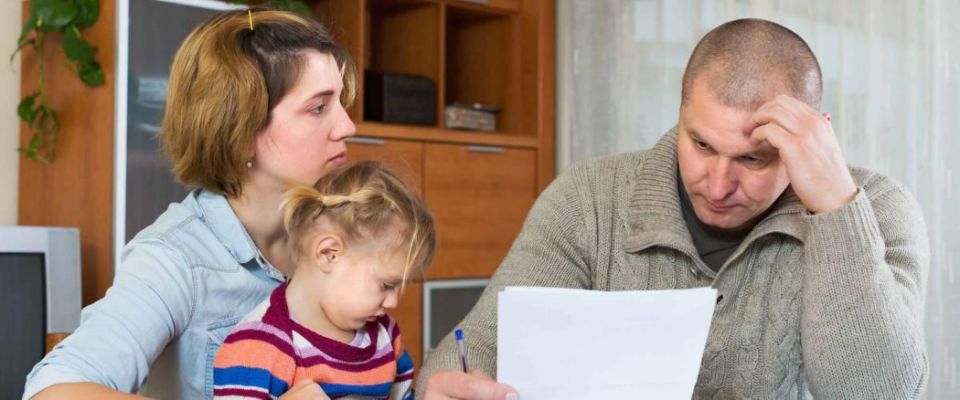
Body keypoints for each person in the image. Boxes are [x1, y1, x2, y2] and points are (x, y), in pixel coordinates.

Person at [417, 18, 929, 399]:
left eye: (754, 158)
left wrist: (837, 208)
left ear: (813, 134)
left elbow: (879, 392)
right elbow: (474, 351)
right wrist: (449, 386)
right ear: (681, 112)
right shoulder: (588, 199)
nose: (720, 184)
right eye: (701, 144)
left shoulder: (878, 211)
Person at [24, 9, 358, 399]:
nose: (347, 126)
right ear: (241, 129)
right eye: (319, 108)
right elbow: (52, 392)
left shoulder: (344, 228)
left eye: (340, 102)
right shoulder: (174, 260)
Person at [212, 161, 435, 400]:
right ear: (329, 254)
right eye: (386, 285)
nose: (393, 302)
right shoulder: (258, 347)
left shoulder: (385, 335)